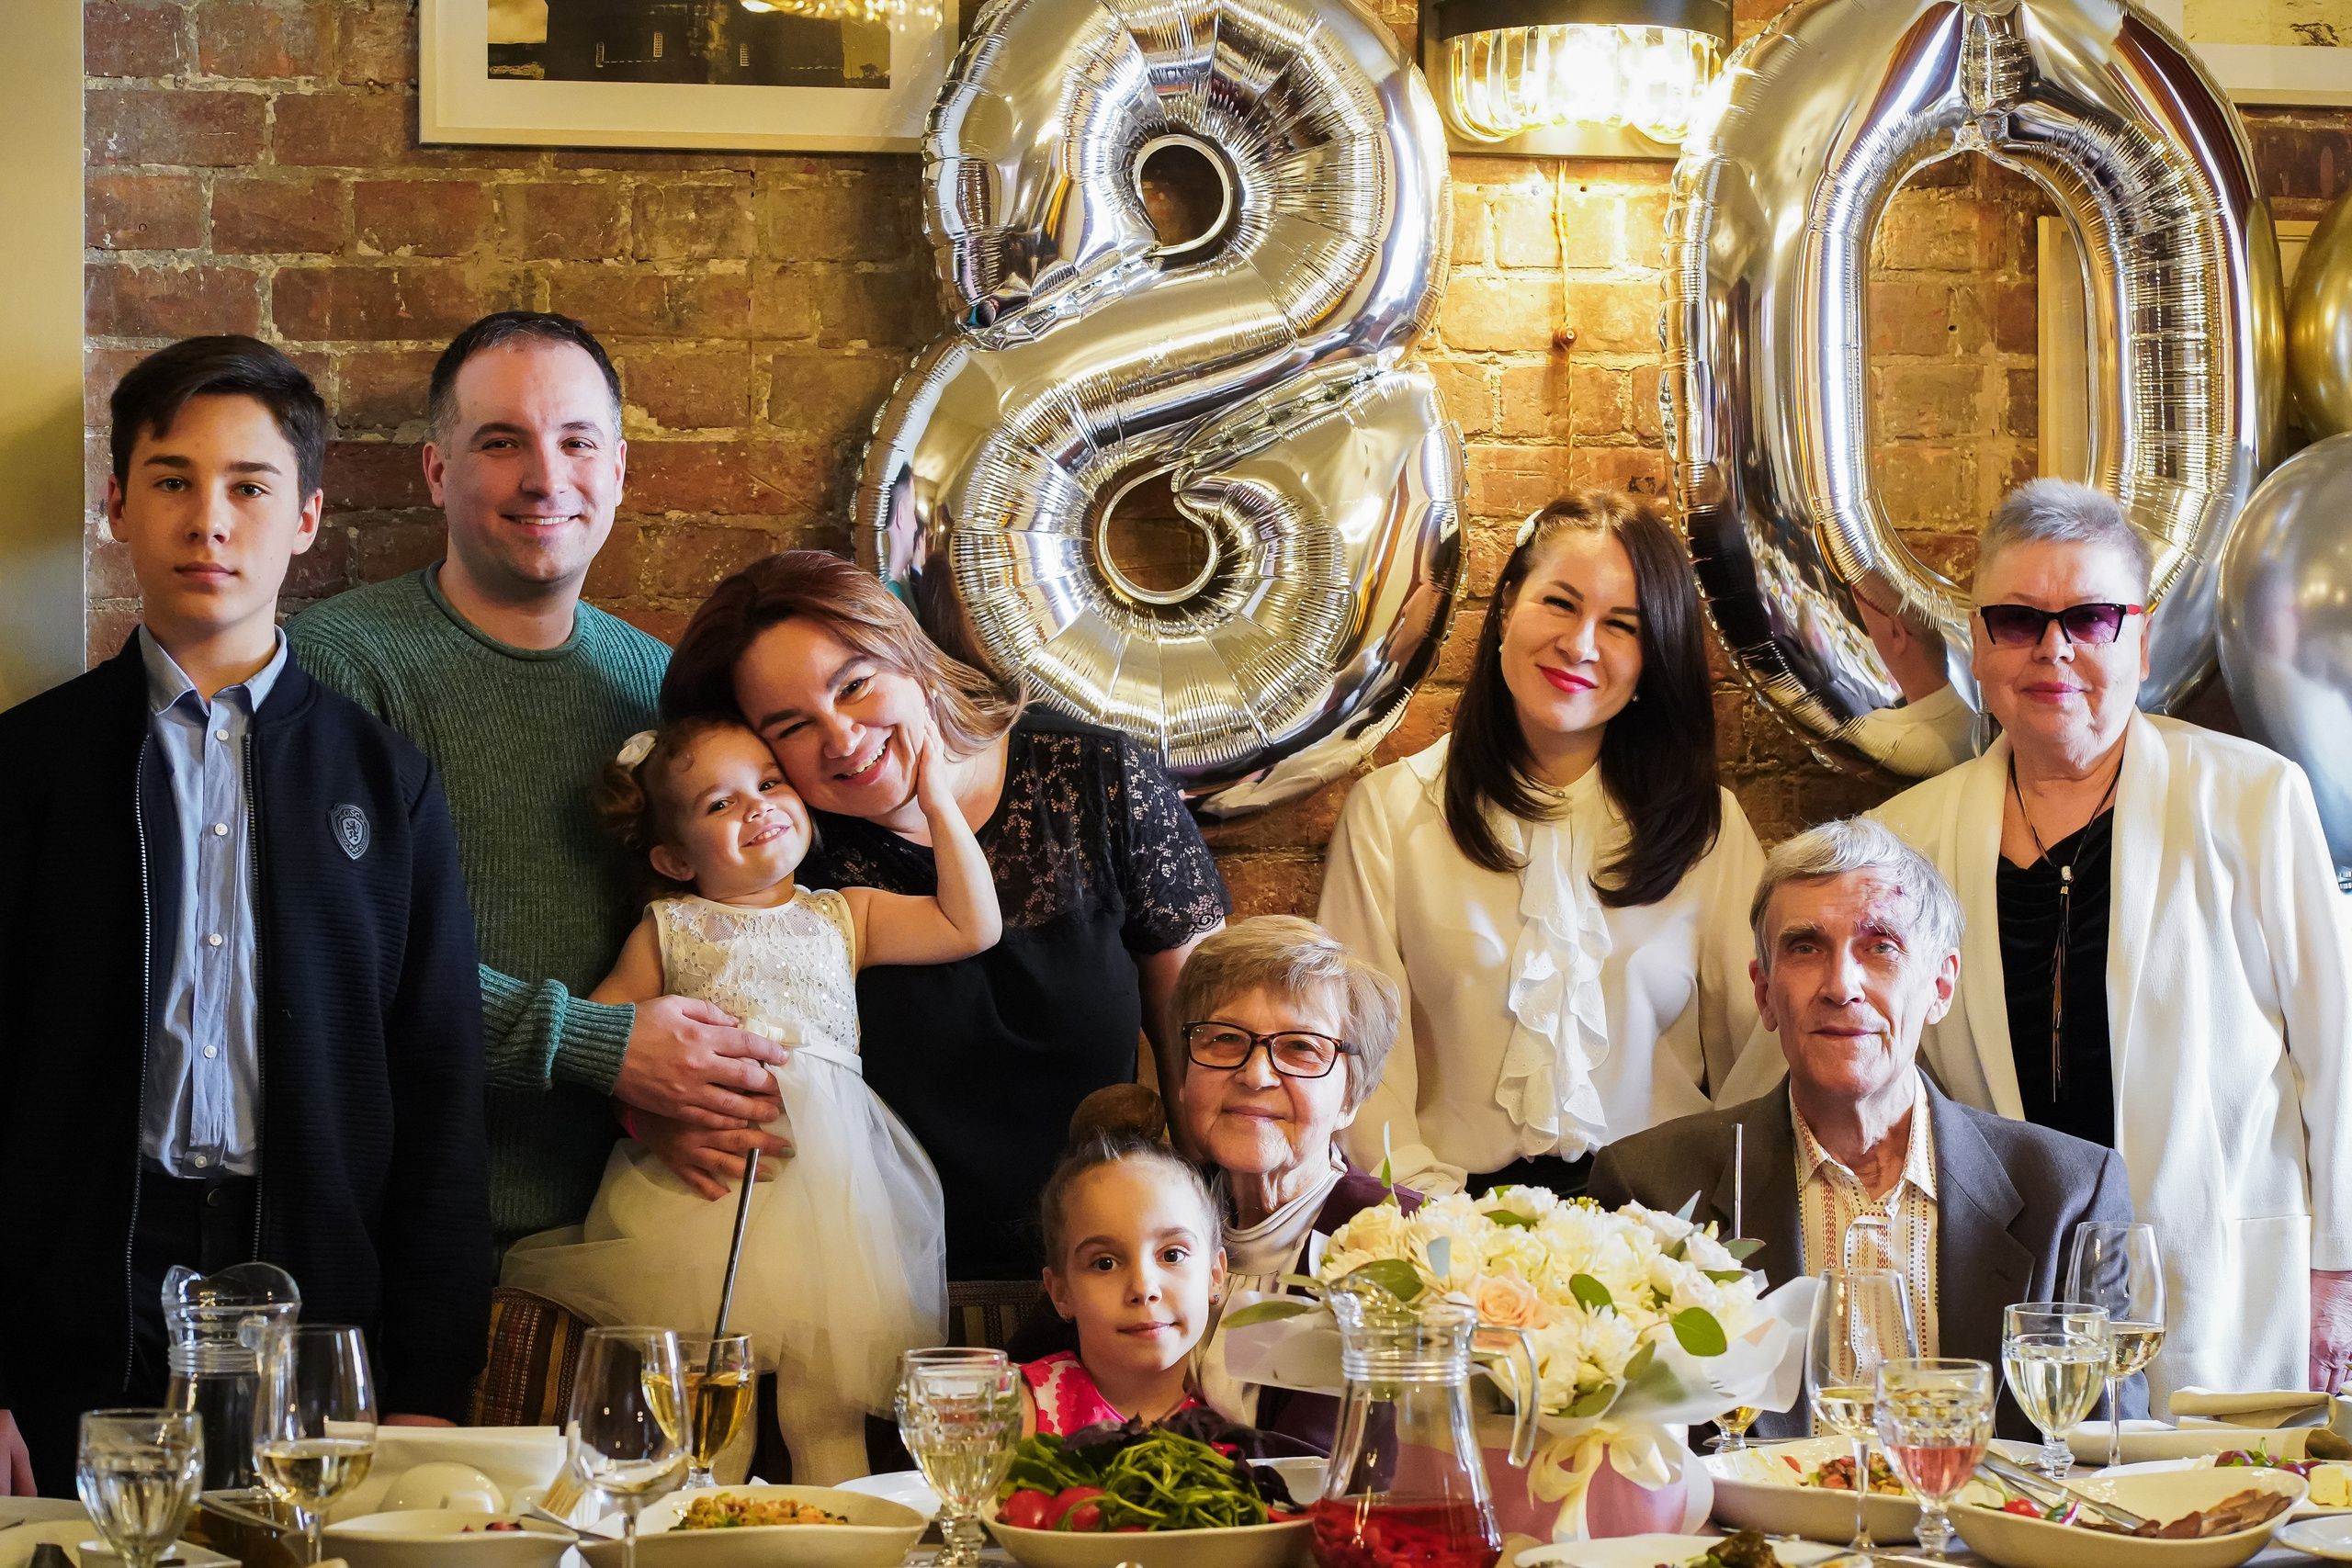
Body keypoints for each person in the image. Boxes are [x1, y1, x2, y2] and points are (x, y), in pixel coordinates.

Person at [0, 338, 490, 1495]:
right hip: (74, 1291)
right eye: (172, 481)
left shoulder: (388, 781)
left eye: (249, 487)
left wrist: (425, 1381)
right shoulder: (28, 767)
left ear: (307, 517)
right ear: (117, 504)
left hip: (316, 1295)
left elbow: (438, 1098)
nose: (208, 521)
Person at [289, 311, 788, 1255]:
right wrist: (598, 1049)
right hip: (408, 1235)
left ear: (619, 469)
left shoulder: (664, 685)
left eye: (575, 442)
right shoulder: (341, 667)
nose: (546, 477)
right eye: (501, 441)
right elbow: (334, 958)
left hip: (646, 1219)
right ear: (438, 472)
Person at [1860, 479, 2352, 1404]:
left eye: (2091, 618)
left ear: (2142, 636)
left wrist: (2342, 1273)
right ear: (1978, 639)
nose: (2054, 649)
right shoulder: (1905, 840)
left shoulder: (2251, 799)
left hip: (2219, 1285)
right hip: (2011, 1299)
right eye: (2017, 619)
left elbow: (2341, 1055)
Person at [653, 551, 1230, 1280]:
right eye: (792, 727)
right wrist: (659, 1118)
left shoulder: (1094, 776)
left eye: (855, 685)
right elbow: (686, 1022)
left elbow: (1205, 1043)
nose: (841, 739)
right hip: (880, 1279)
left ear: (913, 658)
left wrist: (1216, 1249)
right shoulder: (785, 862)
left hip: (1108, 1277)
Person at [503, 712, 998, 1481]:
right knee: (709, 1416)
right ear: (671, 857)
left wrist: (937, 804)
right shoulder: (668, 929)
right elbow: (603, 1047)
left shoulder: (843, 913)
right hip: (709, 1193)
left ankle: (833, 1544)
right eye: (719, 804)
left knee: (824, 1415)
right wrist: (640, 1114)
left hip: (835, 1202)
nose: (757, 805)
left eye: (768, 783)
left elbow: (972, 923)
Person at [1589, 818, 2140, 1441]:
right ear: (1765, 994)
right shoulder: (1652, 1190)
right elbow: (1624, 1463)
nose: (1841, 985)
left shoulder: (2068, 1196)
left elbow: (2107, 1459)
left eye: (1881, 946)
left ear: (1939, 986)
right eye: (1804, 946)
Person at [1318, 491, 1770, 1201]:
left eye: (1621, 624)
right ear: (1505, 609)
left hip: (1665, 1224)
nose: (1581, 643)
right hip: (1451, 1219)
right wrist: (1425, 1224)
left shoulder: (1709, 829)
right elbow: (1361, 1067)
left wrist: (1714, 1211)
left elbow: (1762, 1055)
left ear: (1653, 659)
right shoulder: (1390, 814)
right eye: (1559, 603)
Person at [1170, 917, 1419, 1444]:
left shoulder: (1414, 1243)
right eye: (1223, 1038)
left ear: (1351, 1098)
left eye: (1301, 1048)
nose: (1256, 1074)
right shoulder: (1138, 1216)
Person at [1021, 1134, 1227, 1437]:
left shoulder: (1233, 1429)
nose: (1143, 1288)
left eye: (1172, 1255)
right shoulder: (1019, 1410)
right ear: (1060, 1293)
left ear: (1215, 1276)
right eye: (1105, 1263)